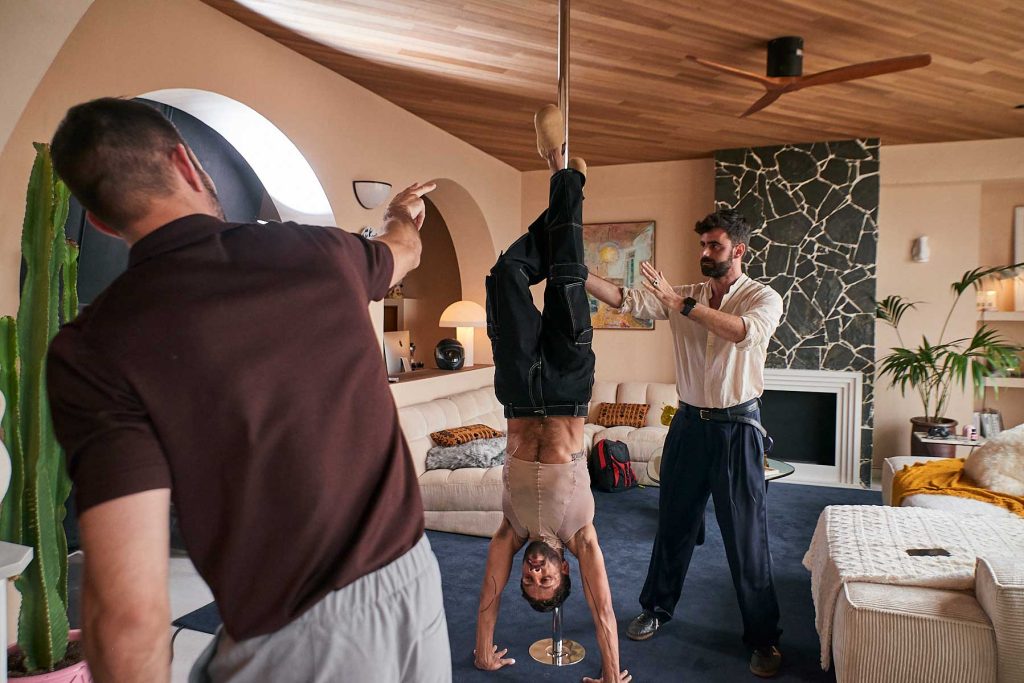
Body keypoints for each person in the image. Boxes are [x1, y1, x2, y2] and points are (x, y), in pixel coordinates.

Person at [45, 97, 450, 682]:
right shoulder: (322, 254)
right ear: (188, 165)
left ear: (103, 221)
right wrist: (401, 214)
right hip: (415, 585)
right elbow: (404, 251)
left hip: (301, 639)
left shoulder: (93, 349)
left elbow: (127, 614)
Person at [586, 209, 785, 678]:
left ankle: (763, 638)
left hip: (738, 428)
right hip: (690, 426)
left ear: (738, 250)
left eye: (714, 246)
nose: (705, 254)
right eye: (702, 246)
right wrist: (577, 274)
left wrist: (682, 305)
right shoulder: (685, 295)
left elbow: (742, 333)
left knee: (745, 538)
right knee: (673, 524)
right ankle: (656, 608)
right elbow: (624, 299)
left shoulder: (763, 297)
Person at [472, 105, 629, 683]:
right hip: (566, 388)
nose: (536, 573)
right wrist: (613, 674)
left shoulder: (509, 530)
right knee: (566, 276)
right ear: (564, 574)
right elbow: (604, 607)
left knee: (502, 277)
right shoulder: (581, 536)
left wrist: (484, 650)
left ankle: (567, 180)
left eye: (529, 580)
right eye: (548, 580)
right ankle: (563, 169)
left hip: (516, 394)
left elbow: (486, 595)